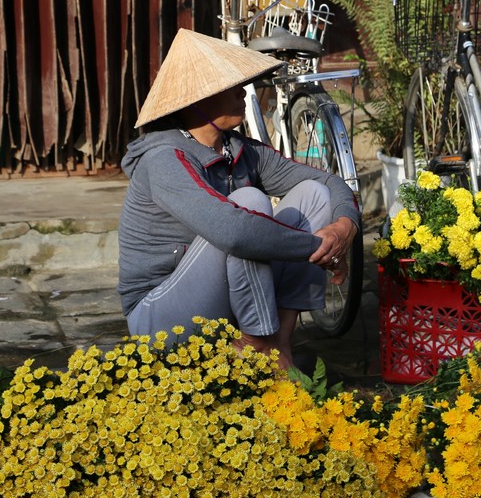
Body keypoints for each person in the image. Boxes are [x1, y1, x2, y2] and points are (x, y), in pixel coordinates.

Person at [116, 29, 360, 371]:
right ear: (198, 98)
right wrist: (317, 247)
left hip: (220, 299)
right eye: (230, 87)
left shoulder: (240, 150)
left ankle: (278, 347)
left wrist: (343, 228)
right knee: (249, 203)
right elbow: (235, 233)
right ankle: (257, 344)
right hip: (158, 316)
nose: (242, 94)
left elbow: (327, 181)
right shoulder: (164, 159)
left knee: (314, 195)